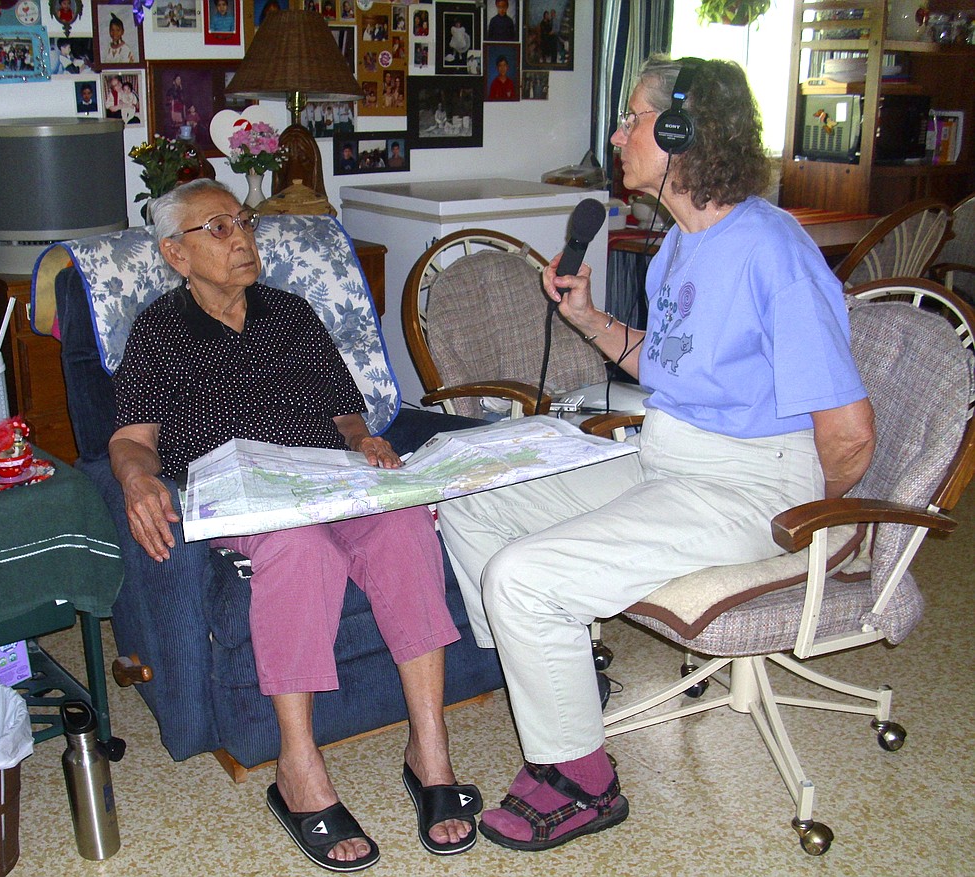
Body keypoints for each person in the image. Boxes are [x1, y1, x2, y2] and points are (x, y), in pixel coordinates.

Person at [438, 56, 875, 852]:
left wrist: (810, 522)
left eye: (631, 117)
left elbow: (848, 432)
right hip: (667, 456)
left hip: (752, 483)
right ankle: (560, 677)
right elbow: (665, 363)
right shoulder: (678, 246)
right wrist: (589, 320)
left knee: (524, 574)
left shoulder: (772, 249)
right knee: (472, 499)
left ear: (681, 132)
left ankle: (584, 783)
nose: (615, 134)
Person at [110, 179, 483, 871]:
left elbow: (343, 412)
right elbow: (133, 439)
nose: (242, 238)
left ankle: (428, 748)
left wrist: (363, 439)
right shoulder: (159, 332)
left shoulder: (292, 313)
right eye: (216, 228)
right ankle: (298, 766)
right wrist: (136, 477)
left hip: (325, 474)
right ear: (175, 253)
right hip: (242, 492)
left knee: (402, 523)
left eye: (243, 221)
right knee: (299, 549)